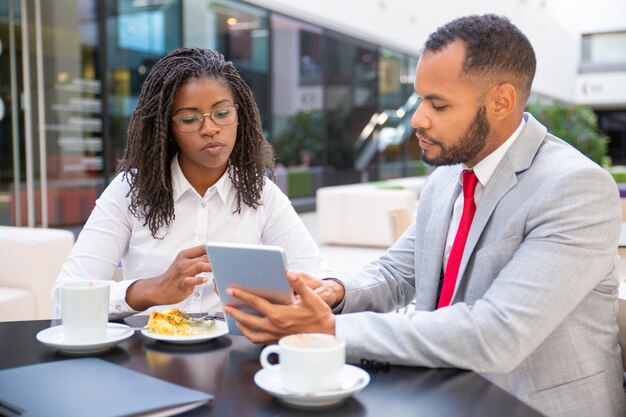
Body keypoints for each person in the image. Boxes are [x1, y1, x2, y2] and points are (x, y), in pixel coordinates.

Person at [223, 15, 626, 417]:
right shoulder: (447, 177)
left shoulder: (576, 188)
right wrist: (335, 292)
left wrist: (327, 329)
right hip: (441, 394)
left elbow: (497, 333)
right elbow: (398, 273)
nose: (417, 118)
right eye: (419, 98)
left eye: (438, 103)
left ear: (501, 101)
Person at [53, 47, 331, 320]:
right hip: (146, 355)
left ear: (239, 117)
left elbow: (318, 286)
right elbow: (64, 299)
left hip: (234, 353)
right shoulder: (129, 191)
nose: (209, 129)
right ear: (167, 128)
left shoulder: (261, 194)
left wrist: (271, 298)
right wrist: (149, 290)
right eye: (189, 119)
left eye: (222, 114)